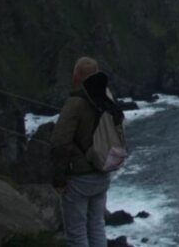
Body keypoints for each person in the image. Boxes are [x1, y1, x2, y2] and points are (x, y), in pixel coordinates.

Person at [50, 56, 124, 247]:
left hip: (79, 177)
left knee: (77, 235)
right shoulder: (107, 96)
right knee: (97, 226)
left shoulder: (75, 102)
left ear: (76, 76)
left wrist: (58, 179)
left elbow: (59, 142)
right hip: (103, 171)